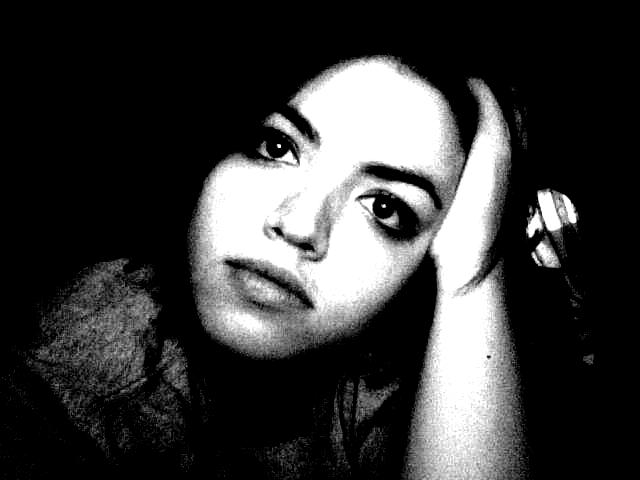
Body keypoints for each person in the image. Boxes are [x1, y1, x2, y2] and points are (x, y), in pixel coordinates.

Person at [3, 45, 573, 478]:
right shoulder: (83, 348)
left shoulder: (396, 393)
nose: (300, 225)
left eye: (385, 207)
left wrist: (474, 270)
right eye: (277, 148)